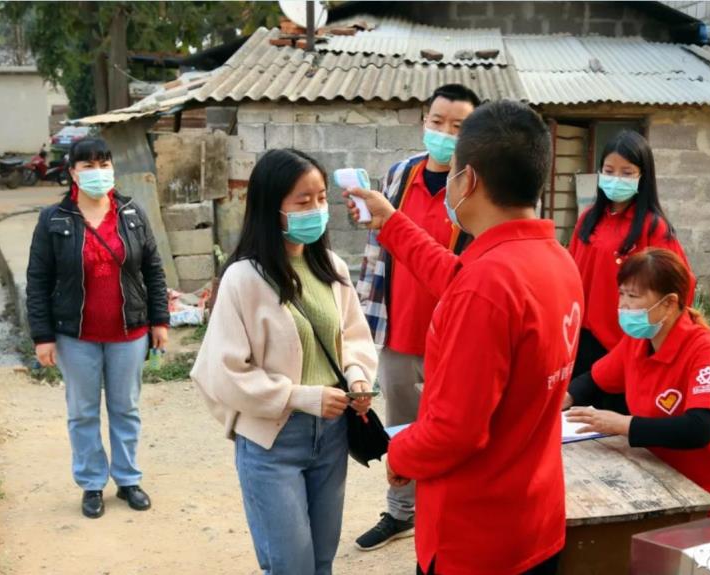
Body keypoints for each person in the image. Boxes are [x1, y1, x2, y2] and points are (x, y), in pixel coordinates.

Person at [346, 100, 584, 575]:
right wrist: (392, 222)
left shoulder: (487, 286)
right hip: (532, 519)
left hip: (475, 537)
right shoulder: (555, 260)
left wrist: (400, 454)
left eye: (453, 169)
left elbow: (455, 432)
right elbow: (457, 277)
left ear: (468, 180)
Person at [191, 149, 377, 575]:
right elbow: (224, 372)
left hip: (332, 434)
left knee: (322, 560)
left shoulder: (331, 266)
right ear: (271, 208)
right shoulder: (243, 278)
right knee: (290, 565)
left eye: (321, 198)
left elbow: (352, 336)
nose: (316, 209)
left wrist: (357, 377)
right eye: (303, 201)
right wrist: (300, 397)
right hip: (272, 440)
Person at [355, 83, 481, 551]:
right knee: (403, 427)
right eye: (437, 121)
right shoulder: (400, 174)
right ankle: (400, 511)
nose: (445, 133)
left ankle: (452, 513)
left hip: (455, 334)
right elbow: (378, 245)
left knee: (455, 429)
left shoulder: (475, 187)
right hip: (401, 327)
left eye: (458, 126)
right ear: (423, 121)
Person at [25, 137, 169, 519]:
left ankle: (128, 479)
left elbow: (153, 270)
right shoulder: (54, 220)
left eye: (104, 163)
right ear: (72, 172)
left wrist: (160, 320)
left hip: (129, 333)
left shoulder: (132, 214)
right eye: (88, 165)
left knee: (126, 409)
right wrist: (42, 336)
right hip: (75, 337)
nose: (97, 172)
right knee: (83, 412)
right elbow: (38, 281)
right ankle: (91, 483)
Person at [564, 248, 710, 516]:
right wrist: (563, 399)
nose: (623, 305)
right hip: (675, 488)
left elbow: (700, 428)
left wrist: (624, 424)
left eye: (633, 297)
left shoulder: (706, 350)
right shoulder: (638, 342)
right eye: (621, 294)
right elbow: (594, 379)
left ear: (669, 303)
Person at [567, 130, 693, 414]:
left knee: (617, 426)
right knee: (577, 424)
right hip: (581, 341)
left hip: (626, 342)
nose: (616, 179)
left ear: (642, 176)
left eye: (627, 173)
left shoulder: (653, 227)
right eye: (609, 170)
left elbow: (681, 286)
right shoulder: (588, 220)